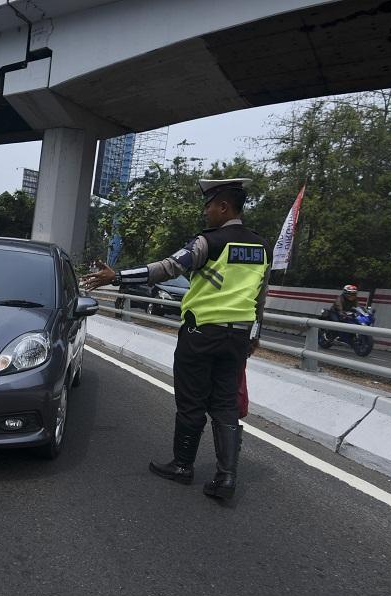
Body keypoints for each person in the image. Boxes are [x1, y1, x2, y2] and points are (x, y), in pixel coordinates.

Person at [81, 178, 271, 500]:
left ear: (224, 207)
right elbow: (260, 297)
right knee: (225, 404)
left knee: (191, 401)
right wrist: (255, 335)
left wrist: (118, 277)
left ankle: (183, 466)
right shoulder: (261, 247)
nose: (205, 211)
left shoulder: (208, 242)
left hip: (201, 335)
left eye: (209, 205)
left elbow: (168, 268)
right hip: (237, 338)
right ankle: (226, 478)